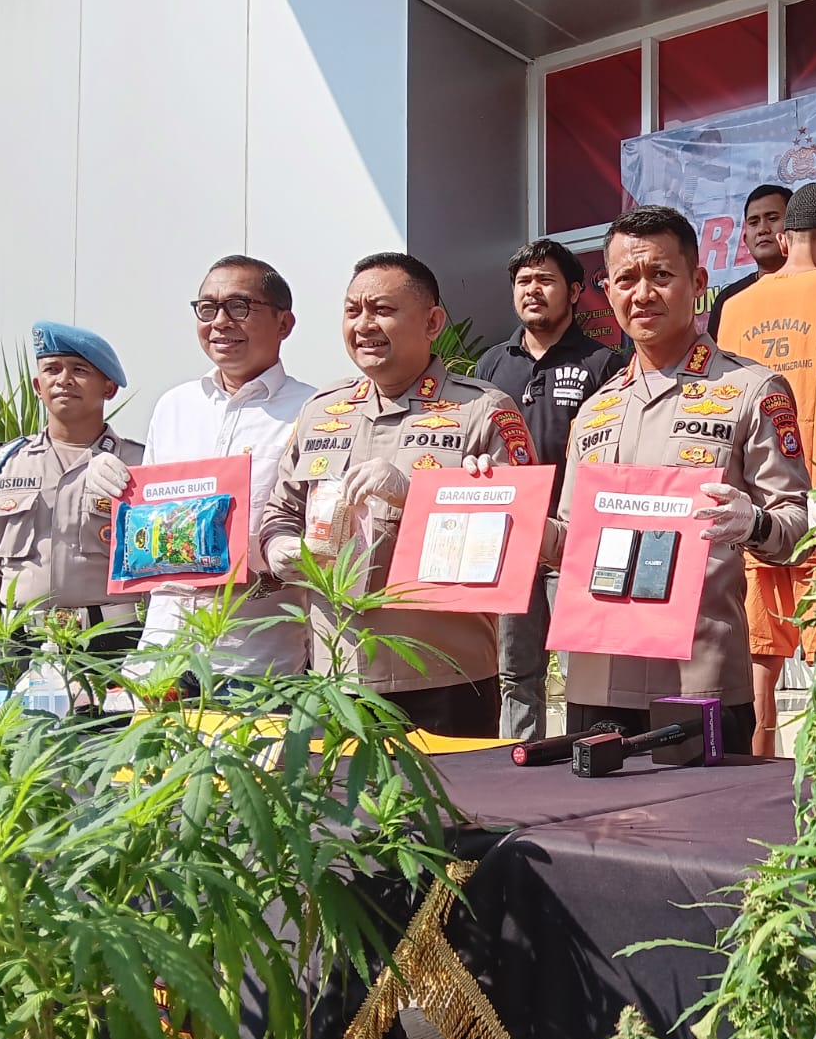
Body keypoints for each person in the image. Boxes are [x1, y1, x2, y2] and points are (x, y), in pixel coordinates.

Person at [534, 204, 810, 752]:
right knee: (594, 832)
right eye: (626, 279)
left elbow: (800, 528)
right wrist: (518, 523)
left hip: (697, 676)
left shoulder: (753, 390)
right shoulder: (594, 410)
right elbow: (569, 541)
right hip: (598, 674)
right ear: (608, 291)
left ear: (698, 283)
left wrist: (751, 523)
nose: (643, 294)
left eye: (661, 275)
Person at [258, 251, 538, 736]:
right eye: (352, 311)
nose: (364, 324)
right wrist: (278, 546)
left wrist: (418, 497)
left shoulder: (484, 411)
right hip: (337, 677)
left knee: (451, 813)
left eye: (382, 310)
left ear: (432, 322)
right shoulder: (322, 411)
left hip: (448, 679)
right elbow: (280, 513)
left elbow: (525, 543)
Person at [87, 255, 315, 686]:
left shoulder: (313, 411)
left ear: (284, 324)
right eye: (207, 309)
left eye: (239, 307)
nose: (220, 322)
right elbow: (154, 518)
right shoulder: (174, 406)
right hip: (165, 652)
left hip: (256, 658)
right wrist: (116, 490)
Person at [715, 182, 816, 754]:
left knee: (760, 645)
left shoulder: (735, 308)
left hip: (757, 501)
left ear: (786, 238)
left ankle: (753, 759)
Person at [474, 239, 625, 740]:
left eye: (545, 280)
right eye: (523, 281)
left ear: (575, 291)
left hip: (575, 544)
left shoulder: (603, 363)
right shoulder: (492, 365)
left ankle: (591, 762)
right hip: (511, 542)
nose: (532, 290)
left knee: (585, 669)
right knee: (517, 672)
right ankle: (522, 765)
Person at [0, 322, 143, 666]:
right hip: (19, 647)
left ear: (109, 388)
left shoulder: (139, 465)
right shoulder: (1, 467)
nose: (63, 379)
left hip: (113, 649)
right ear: (37, 386)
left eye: (80, 370)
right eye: (52, 369)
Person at [705, 184, 791, 339]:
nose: (762, 229)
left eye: (772, 218)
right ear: (745, 239)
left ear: (795, 227)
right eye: (753, 222)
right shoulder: (729, 299)